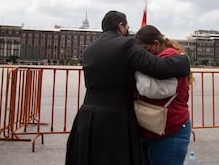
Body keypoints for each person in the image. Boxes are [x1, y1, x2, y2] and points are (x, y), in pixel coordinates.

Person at [65, 11, 190, 165]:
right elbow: (158, 67)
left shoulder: (90, 49)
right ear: (121, 26)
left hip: (87, 115)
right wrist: (183, 60)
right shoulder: (126, 45)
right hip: (115, 117)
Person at [134, 25, 194, 165]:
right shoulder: (161, 56)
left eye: (145, 50)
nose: (142, 55)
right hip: (152, 129)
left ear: (156, 43)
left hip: (170, 131)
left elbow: (153, 90)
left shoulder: (169, 57)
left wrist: (135, 69)